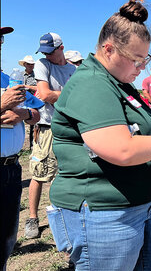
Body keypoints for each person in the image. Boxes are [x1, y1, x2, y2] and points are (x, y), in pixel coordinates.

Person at [47, 0, 151, 270]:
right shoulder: (92, 84)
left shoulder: (120, 83)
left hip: (139, 203)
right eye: (136, 60)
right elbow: (122, 149)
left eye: (146, 59)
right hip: (104, 212)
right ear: (109, 50)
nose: (142, 68)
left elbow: (139, 135)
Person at [25, 32, 76, 239]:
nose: (46, 55)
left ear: (61, 48)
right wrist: (72, 95)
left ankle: (61, 217)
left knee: (64, 175)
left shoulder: (74, 69)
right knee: (39, 174)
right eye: (44, 52)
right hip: (47, 127)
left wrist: (59, 97)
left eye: (50, 51)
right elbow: (45, 95)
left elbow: (53, 95)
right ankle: (32, 218)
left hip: (69, 127)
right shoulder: (42, 64)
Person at [1, 25, 43, 271]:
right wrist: (2, 104)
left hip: (11, 170)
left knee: (6, 237)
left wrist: (24, 114)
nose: (0, 43)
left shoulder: (9, 80)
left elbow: (36, 113)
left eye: (1, 38)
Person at [18, 55, 37, 150]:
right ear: (25, 64)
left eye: (32, 64)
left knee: (33, 124)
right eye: (29, 64)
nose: (31, 66)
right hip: (21, 102)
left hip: (32, 102)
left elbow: (39, 88)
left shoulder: (37, 76)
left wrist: (27, 87)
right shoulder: (20, 75)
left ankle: (32, 146)